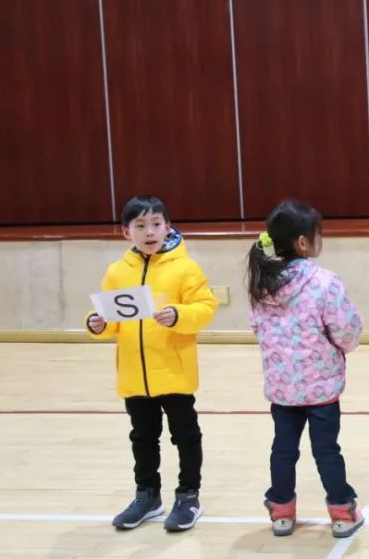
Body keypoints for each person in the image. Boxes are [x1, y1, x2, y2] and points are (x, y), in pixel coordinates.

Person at [86, 195, 218, 531]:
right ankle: (147, 495)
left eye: (156, 224)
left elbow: (205, 308)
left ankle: (188, 496)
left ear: (167, 227)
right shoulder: (117, 272)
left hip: (174, 372)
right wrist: (96, 325)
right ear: (126, 232)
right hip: (134, 376)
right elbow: (110, 320)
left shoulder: (185, 268)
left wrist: (179, 315)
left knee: (185, 436)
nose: (149, 232)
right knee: (142, 438)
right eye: (140, 225)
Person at [248, 199, 365, 539]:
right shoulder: (325, 282)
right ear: (303, 242)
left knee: (283, 450)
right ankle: (342, 512)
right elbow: (347, 331)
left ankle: (281, 511)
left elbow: (256, 328)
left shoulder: (261, 284)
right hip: (321, 389)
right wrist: (341, 348)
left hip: (282, 390)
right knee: (327, 451)